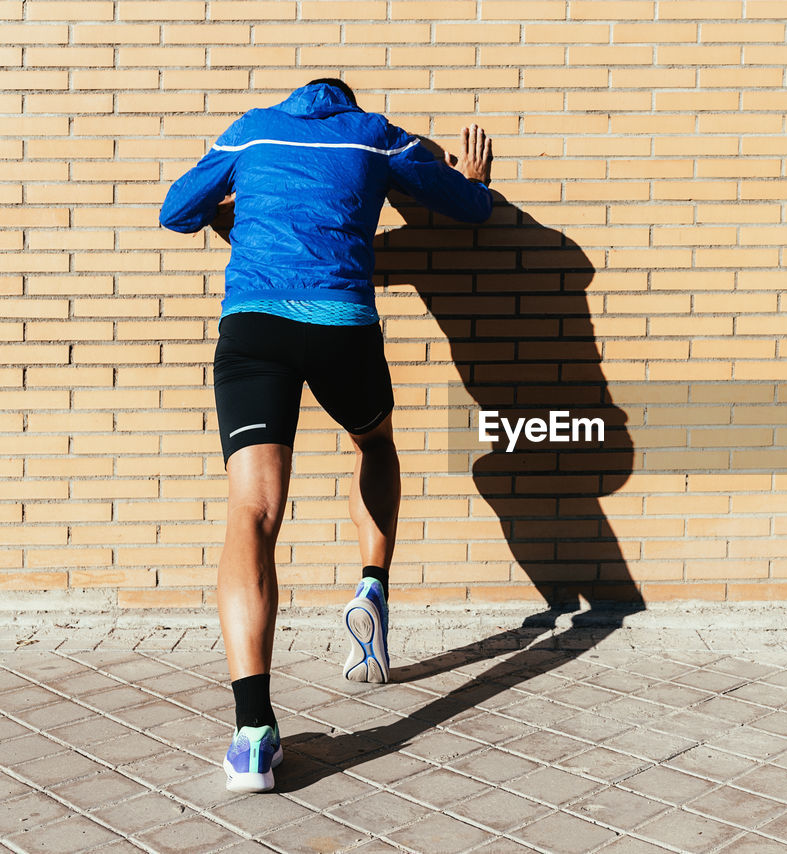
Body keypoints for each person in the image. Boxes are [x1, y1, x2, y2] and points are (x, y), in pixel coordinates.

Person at [159, 78, 493, 793]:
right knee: (373, 443)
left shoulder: (250, 131)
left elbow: (174, 211)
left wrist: (232, 208)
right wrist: (473, 182)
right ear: (344, 102)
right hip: (341, 326)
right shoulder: (374, 132)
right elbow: (467, 211)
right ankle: (372, 588)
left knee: (253, 510)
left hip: (255, 330)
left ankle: (252, 734)